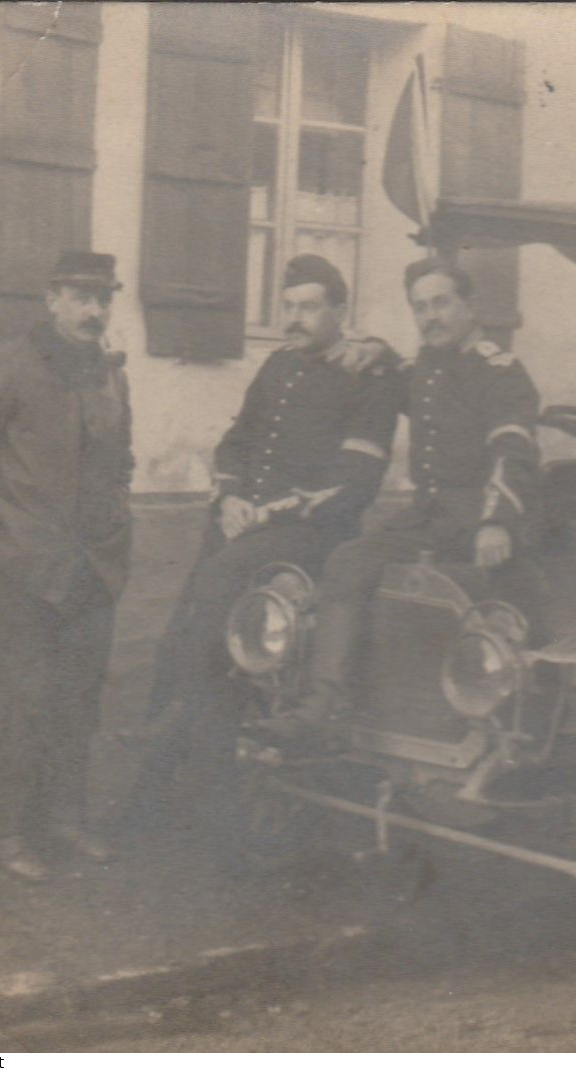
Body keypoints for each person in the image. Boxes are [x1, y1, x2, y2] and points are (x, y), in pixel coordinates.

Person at [128, 254, 406, 826]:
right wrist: (228, 497)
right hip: (242, 525)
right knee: (186, 633)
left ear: (339, 311)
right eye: (287, 307)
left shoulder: (367, 376)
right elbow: (237, 441)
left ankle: (197, 778)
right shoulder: (278, 366)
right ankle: (166, 775)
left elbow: (355, 484)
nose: (295, 318)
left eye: (308, 307)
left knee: (216, 612)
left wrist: (270, 512)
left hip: (310, 534)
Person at [256, 258, 540, 740]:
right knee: (349, 561)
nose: (430, 316)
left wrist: (497, 522)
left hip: (480, 520)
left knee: (472, 601)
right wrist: (375, 349)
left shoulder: (500, 371)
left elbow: (513, 451)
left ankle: (472, 716)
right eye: (420, 307)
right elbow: (397, 370)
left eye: (441, 303)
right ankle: (327, 701)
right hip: (426, 516)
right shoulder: (427, 366)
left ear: (471, 306)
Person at [0, 251, 133, 882]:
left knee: (76, 700)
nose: (95, 310)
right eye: (82, 296)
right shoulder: (9, 369)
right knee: (16, 701)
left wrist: (117, 522)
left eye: (104, 298)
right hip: (25, 571)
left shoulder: (112, 375)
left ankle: (63, 819)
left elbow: (122, 460)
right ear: (52, 299)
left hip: (93, 569)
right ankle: (4, 831)